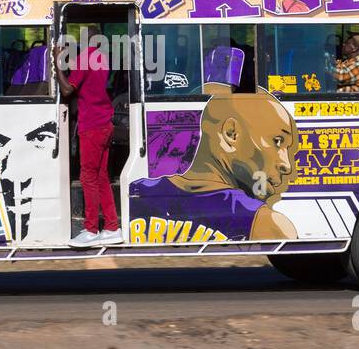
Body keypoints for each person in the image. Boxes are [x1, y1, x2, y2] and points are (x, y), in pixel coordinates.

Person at [129, 85, 299, 243]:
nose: (287, 165)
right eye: (278, 141)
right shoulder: (266, 223)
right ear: (231, 134)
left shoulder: (137, 193)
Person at [53, 25, 122, 246]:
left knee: (88, 177)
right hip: (105, 124)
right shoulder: (102, 59)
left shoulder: (86, 59)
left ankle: (91, 230)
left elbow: (67, 90)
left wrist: (57, 63)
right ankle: (112, 227)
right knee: (102, 177)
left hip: (91, 126)